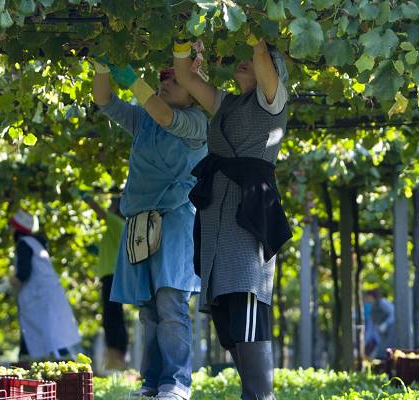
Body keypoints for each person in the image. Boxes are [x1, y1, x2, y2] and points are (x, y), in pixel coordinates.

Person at [173, 32, 292, 400]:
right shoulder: (226, 103)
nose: (244, 61)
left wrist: (257, 37)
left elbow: (263, 60)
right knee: (228, 323)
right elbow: (185, 78)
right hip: (216, 222)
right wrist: (182, 40)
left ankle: (261, 396)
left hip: (249, 219)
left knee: (248, 316)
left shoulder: (274, 102)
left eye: (255, 59)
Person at [91, 58, 207, 400]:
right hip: (140, 223)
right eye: (163, 77)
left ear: (194, 93)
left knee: (171, 301)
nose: (165, 81)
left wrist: (133, 81)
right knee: (149, 310)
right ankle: (152, 383)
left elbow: (166, 116)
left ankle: (177, 383)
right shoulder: (143, 120)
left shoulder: (197, 122)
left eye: (174, 78)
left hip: (175, 220)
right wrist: (101, 68)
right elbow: (104, 102)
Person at [8, 209, 82, 360]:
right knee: (49, 335)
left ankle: (70, 371)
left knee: (49, 337)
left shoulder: (24, 244)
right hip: (45, 296)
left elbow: (23, 274)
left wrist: (4, 285)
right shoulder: (37, 244)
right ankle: (26, 363)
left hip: (39, 298)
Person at [82, 191, 128, 372]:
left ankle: (116, 360)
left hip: (112, 275)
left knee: (112, 319)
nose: (108, 207)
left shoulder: (116, 222)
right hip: (113, 275)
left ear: (116, 207)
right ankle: (117, 359)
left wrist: (85, 197)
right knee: (113, 317)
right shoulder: (117, 227)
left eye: (111, 204)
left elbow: (99, 212)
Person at [364, 290, 395, 359]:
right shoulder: (371, 307)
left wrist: (386, 324)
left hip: (390, 330)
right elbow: (371, 326)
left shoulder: (382, 302)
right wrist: (366, 341)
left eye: (368, 297)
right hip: (380, 333)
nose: (367, 300)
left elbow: (393, 314)